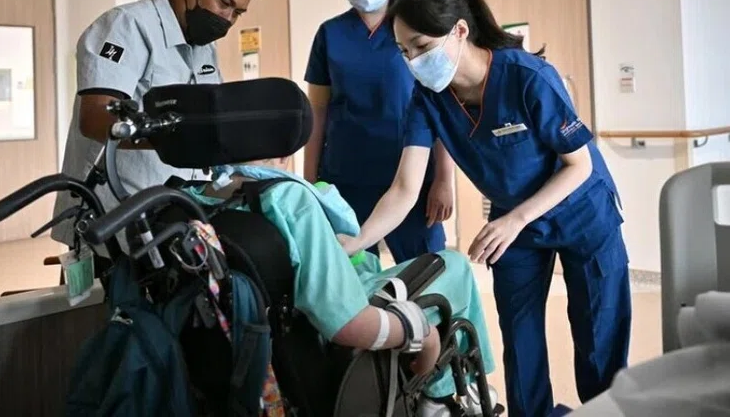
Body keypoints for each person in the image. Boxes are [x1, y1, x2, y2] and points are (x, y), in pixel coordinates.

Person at [337, 0, 632, 417]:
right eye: (404, 51)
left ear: (459, 30)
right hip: (515, 224)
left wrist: (515, 219)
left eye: (420, 46)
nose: (413, 61)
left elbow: (580, 165)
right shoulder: (428, 100)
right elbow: (403, 190)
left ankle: (606, 413)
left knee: (598, 332)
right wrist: (355, 243)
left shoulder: (527, 77)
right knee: (520, 337)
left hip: (581, 213)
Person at [185, 157, 497, 416]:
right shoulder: (287, 198)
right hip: (339, 328)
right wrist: (424, 337)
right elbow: (348, 323)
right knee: (454, 266)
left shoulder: (193, 199)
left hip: (256, 350)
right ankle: (442, 394)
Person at [52, 0, 262, 248]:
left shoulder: (204, 49)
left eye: (237, 13)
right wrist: (178, 136)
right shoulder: (127, 26)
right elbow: (96, 117)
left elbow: (210, 121)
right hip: (112, 212)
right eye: (224, 3)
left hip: (173, 213)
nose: (227, 19)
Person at [304, 0, 455, 264]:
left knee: (426, 272)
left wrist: (444, 178)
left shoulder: (415, 30)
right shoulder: (331, 34)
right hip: (345, 176)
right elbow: (317, 110)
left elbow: (440, 102)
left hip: (410, 173)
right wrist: (310, 179)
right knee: (352, 275)